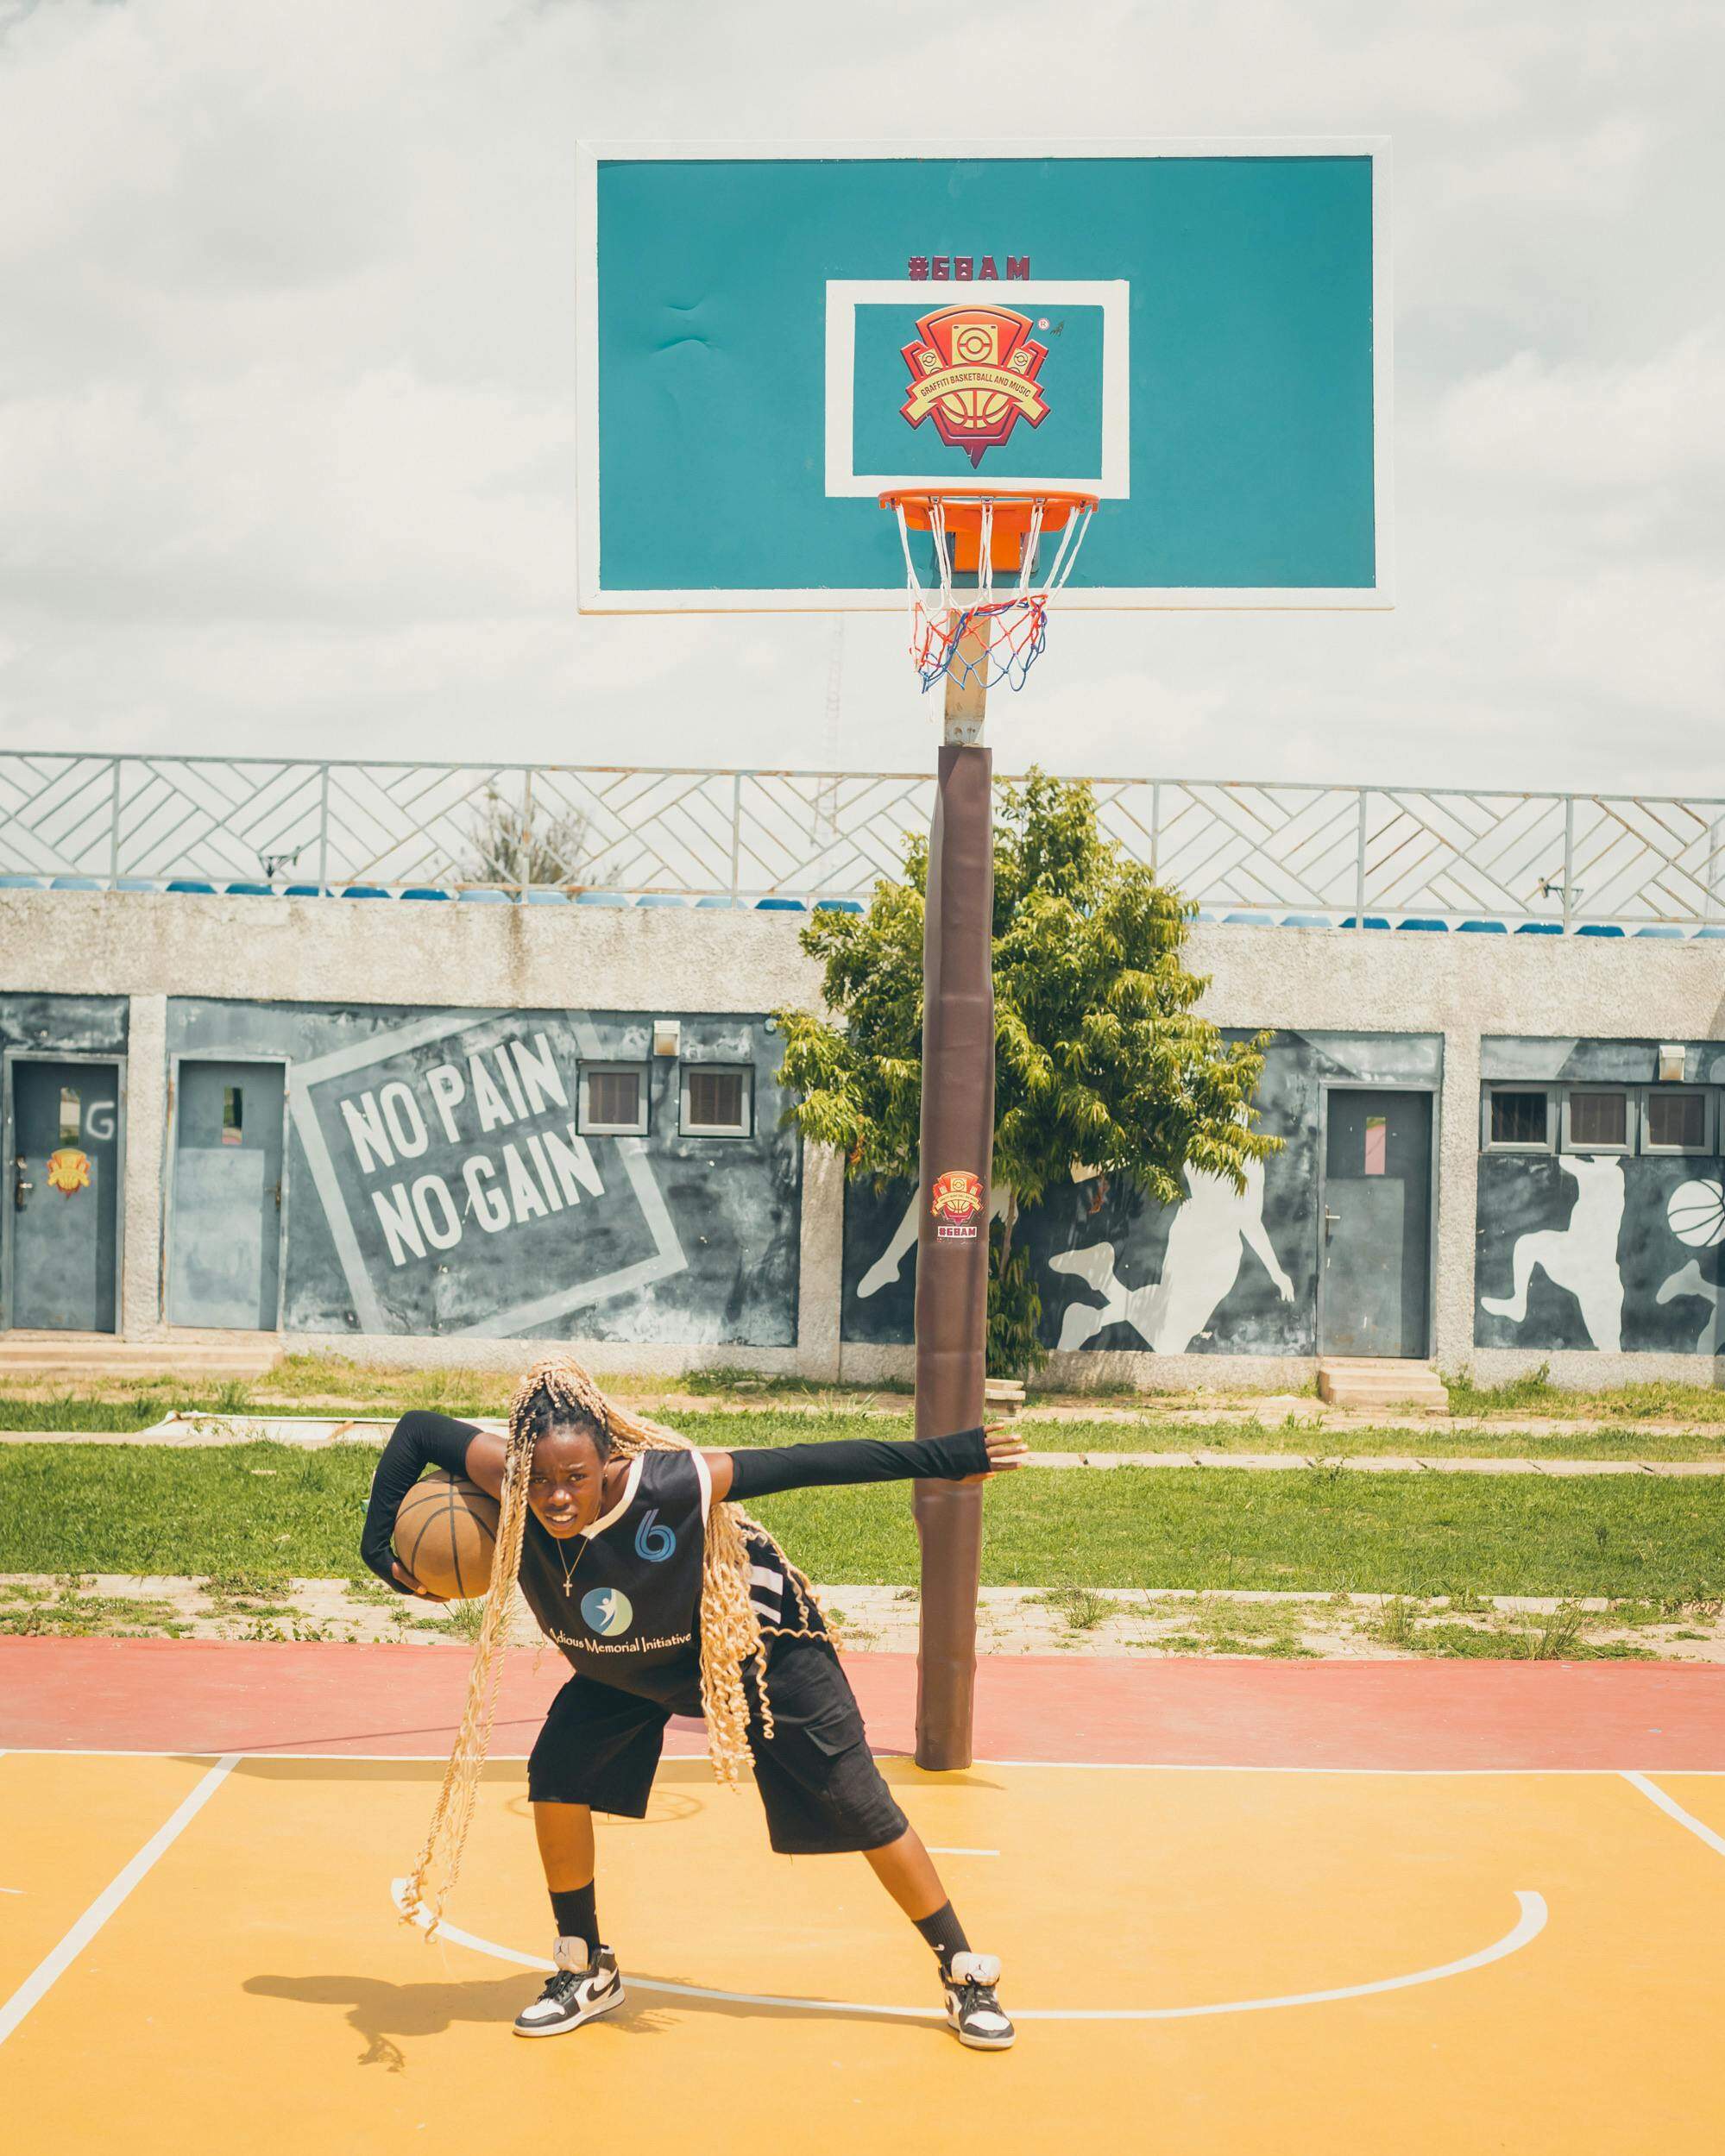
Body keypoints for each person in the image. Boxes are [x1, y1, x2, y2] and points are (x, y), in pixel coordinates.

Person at [360, 1354, 1029, 2049]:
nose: (556, 1496)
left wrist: (945, 1456)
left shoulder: (671, 1483)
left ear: (610, 1462)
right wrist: (381, 1549)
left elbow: (805, 1462)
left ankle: (963, 1972)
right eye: (540, 1479)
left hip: (746, 1638)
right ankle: (584, 1963)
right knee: (558, 1773)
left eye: (576, 1479)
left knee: (855, 1800)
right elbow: (415, 1429)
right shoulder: (508, 1475)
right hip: (625, 1660)